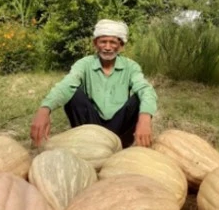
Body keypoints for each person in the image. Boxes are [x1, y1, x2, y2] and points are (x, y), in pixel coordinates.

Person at [30, 19, 157, 149]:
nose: (107, 47)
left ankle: (120, 146)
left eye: (113, 42)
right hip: (91, 129)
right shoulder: (84, 64)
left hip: (120, 130)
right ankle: (86, 145)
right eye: (103, 41)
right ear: (95, 44)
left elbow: (145, 89)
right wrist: (44, 109)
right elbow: (66, 85)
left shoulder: (131, 66)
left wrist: (145, 118)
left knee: (139, 98)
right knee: (73, 94)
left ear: (121, 46)